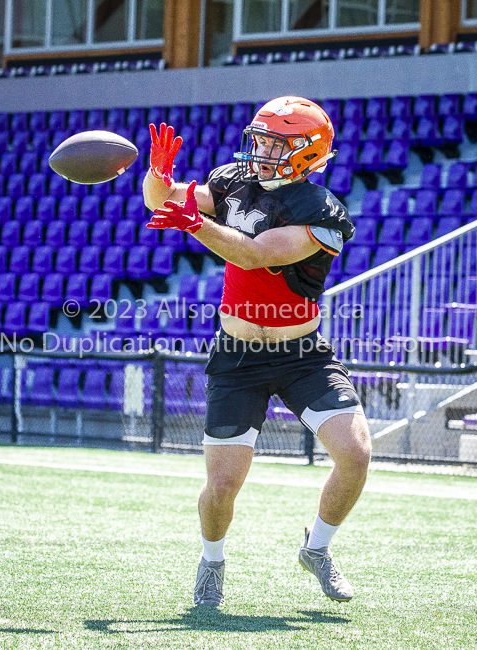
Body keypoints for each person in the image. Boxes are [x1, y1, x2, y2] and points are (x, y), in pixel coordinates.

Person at [142, 96, 372, 606]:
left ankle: (318, 548)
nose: (263, 150)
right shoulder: (233, 181)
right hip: (237, 356)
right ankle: (212, 560)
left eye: (277, 143)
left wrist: (193, 224)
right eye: (262, 139)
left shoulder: (321, 211)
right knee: (222, 486)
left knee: (355, 454)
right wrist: (158, 174)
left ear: (309, 152)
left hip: (302, 354)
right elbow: (163, 199)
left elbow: (257, 255)